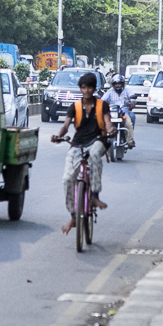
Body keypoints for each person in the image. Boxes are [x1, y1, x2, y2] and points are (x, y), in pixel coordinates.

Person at [51, 72, 115, 235]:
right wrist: (58, 136)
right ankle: (74, 215)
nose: (86, 91)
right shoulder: (75, 107)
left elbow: (107, 122)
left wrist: (110, 129)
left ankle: (94, 194)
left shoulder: (102, 105)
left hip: (98, 140)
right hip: (78, 143)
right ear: (80, 88)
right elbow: (66, 126)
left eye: (89, 88)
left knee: (94, 155)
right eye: (83, 87)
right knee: (67, 179)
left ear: (94, 89)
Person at [100, 74, 136, 148]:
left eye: (119, 83)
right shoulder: (110, 91)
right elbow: (102, 100)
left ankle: (129, 142)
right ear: (113, 85)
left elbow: (132, 98)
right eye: (116, 84)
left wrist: (132, 102)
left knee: (129, 124)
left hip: (124, 114)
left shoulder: (127, 90)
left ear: (122, 84)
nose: (117, 86)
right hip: (112, 114)